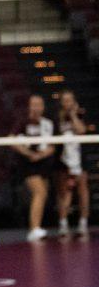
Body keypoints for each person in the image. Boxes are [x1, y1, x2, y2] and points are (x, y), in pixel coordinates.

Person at [11, 94, 56, 242]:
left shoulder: (47, 124)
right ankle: (34, 229)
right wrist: (29, 153)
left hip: (43, 165)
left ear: (43, 107)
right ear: (29, 106)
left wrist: (41, 155)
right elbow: (11, 140)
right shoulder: (23, 122)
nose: (36, 107)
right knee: (40, 193)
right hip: (28, 165)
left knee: (42, 195)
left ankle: (36, 227)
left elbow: (52, 146)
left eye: (39, 104)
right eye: (34, 104)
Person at [55, 89, 89, 238]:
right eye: (65, 100)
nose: (68, 103)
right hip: (63, 159)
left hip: (80, 159)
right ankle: (63, 225)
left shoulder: (80, 114)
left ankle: (83, 224)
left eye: (70, 100)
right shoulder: (56, 118)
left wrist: (74, 115)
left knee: (82, 191)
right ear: (61, 102)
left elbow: (81, 131)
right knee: (64, 193)